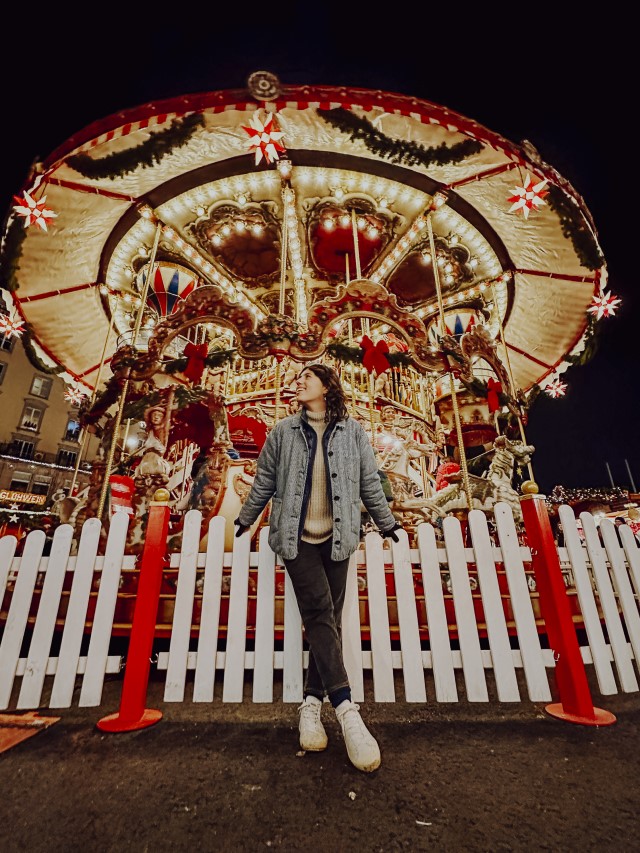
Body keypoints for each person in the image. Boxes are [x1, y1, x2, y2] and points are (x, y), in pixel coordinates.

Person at [235, 362, 402, 773]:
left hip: (338, 539)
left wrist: (386, 522)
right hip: (297, 540)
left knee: (326, 620)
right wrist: (247, 516)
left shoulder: (353, 433)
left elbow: (369, 481)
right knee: (319, 614)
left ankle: (310, 705)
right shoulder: (282, 432)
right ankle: (348, 712)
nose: (298, 381)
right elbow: (265, 480)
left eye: (306, 377)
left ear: (327, 386)